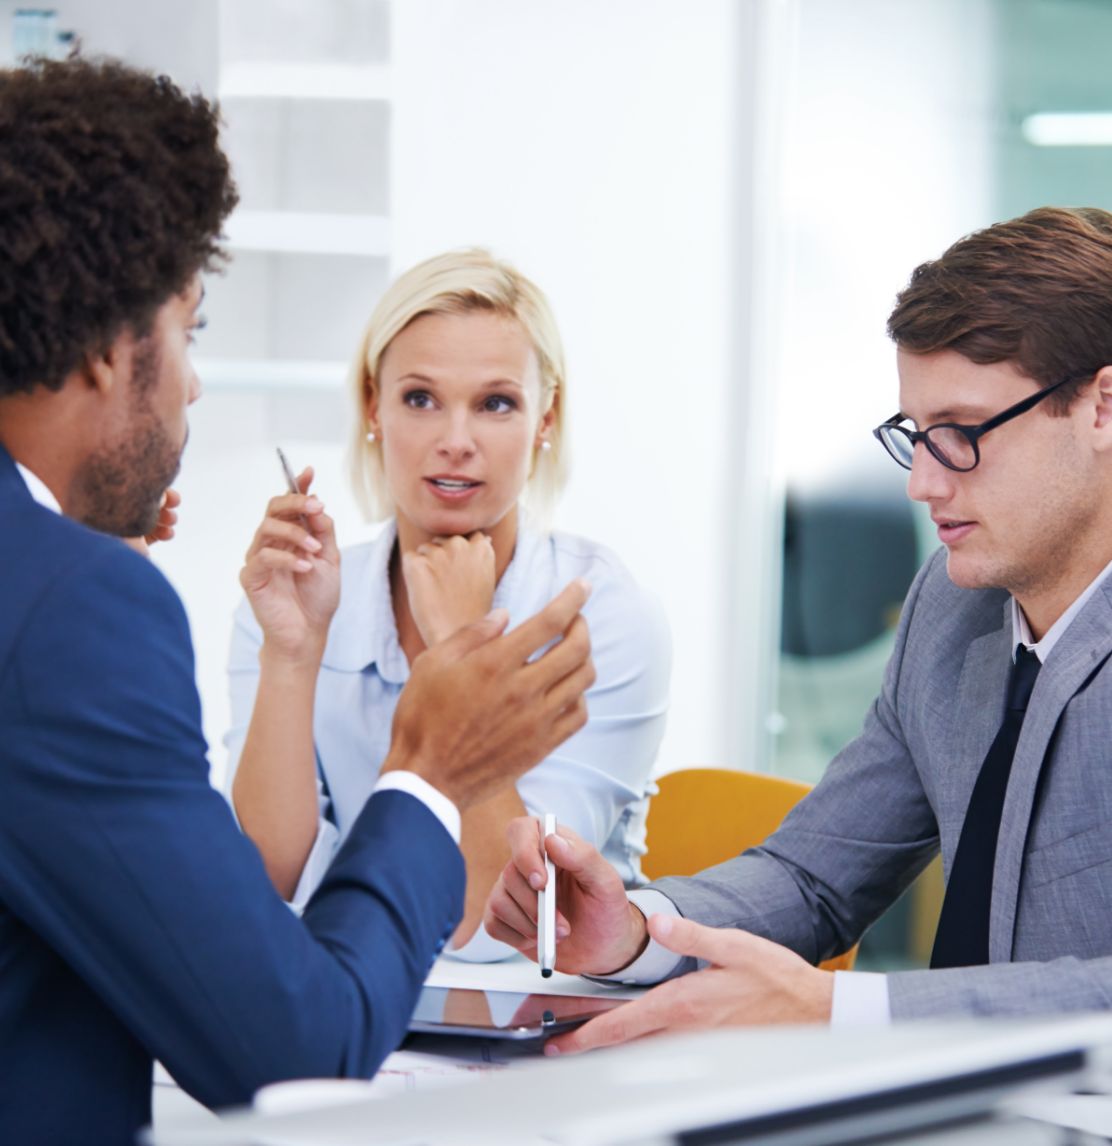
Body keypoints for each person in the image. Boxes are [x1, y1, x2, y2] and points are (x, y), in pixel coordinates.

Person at [0, 56, 593, 1145]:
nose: (191, 384)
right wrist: (430, 772)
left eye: (495, 402)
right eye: (189, 330)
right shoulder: (70, 611)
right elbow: (294, 1047)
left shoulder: (53, 583)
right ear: (100, 351)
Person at [485, 205, 1112, 1050]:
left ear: (1102, 407)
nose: (922, 484)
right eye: (916, 436)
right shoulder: (953, 608)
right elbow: (815, 875)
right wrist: (637, 931)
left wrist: (838, 1011)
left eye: (961, 434)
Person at [224, 249, 670, 956]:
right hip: (353, 1013)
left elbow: (510, 925)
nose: (455, 442)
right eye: (420, 399)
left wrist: (459, 643)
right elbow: (265, 884)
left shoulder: (603, 614)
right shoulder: (296, 599)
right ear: (373, 406)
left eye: (496, 403)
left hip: (544, 1027)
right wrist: (290, 655)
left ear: (545, 418)